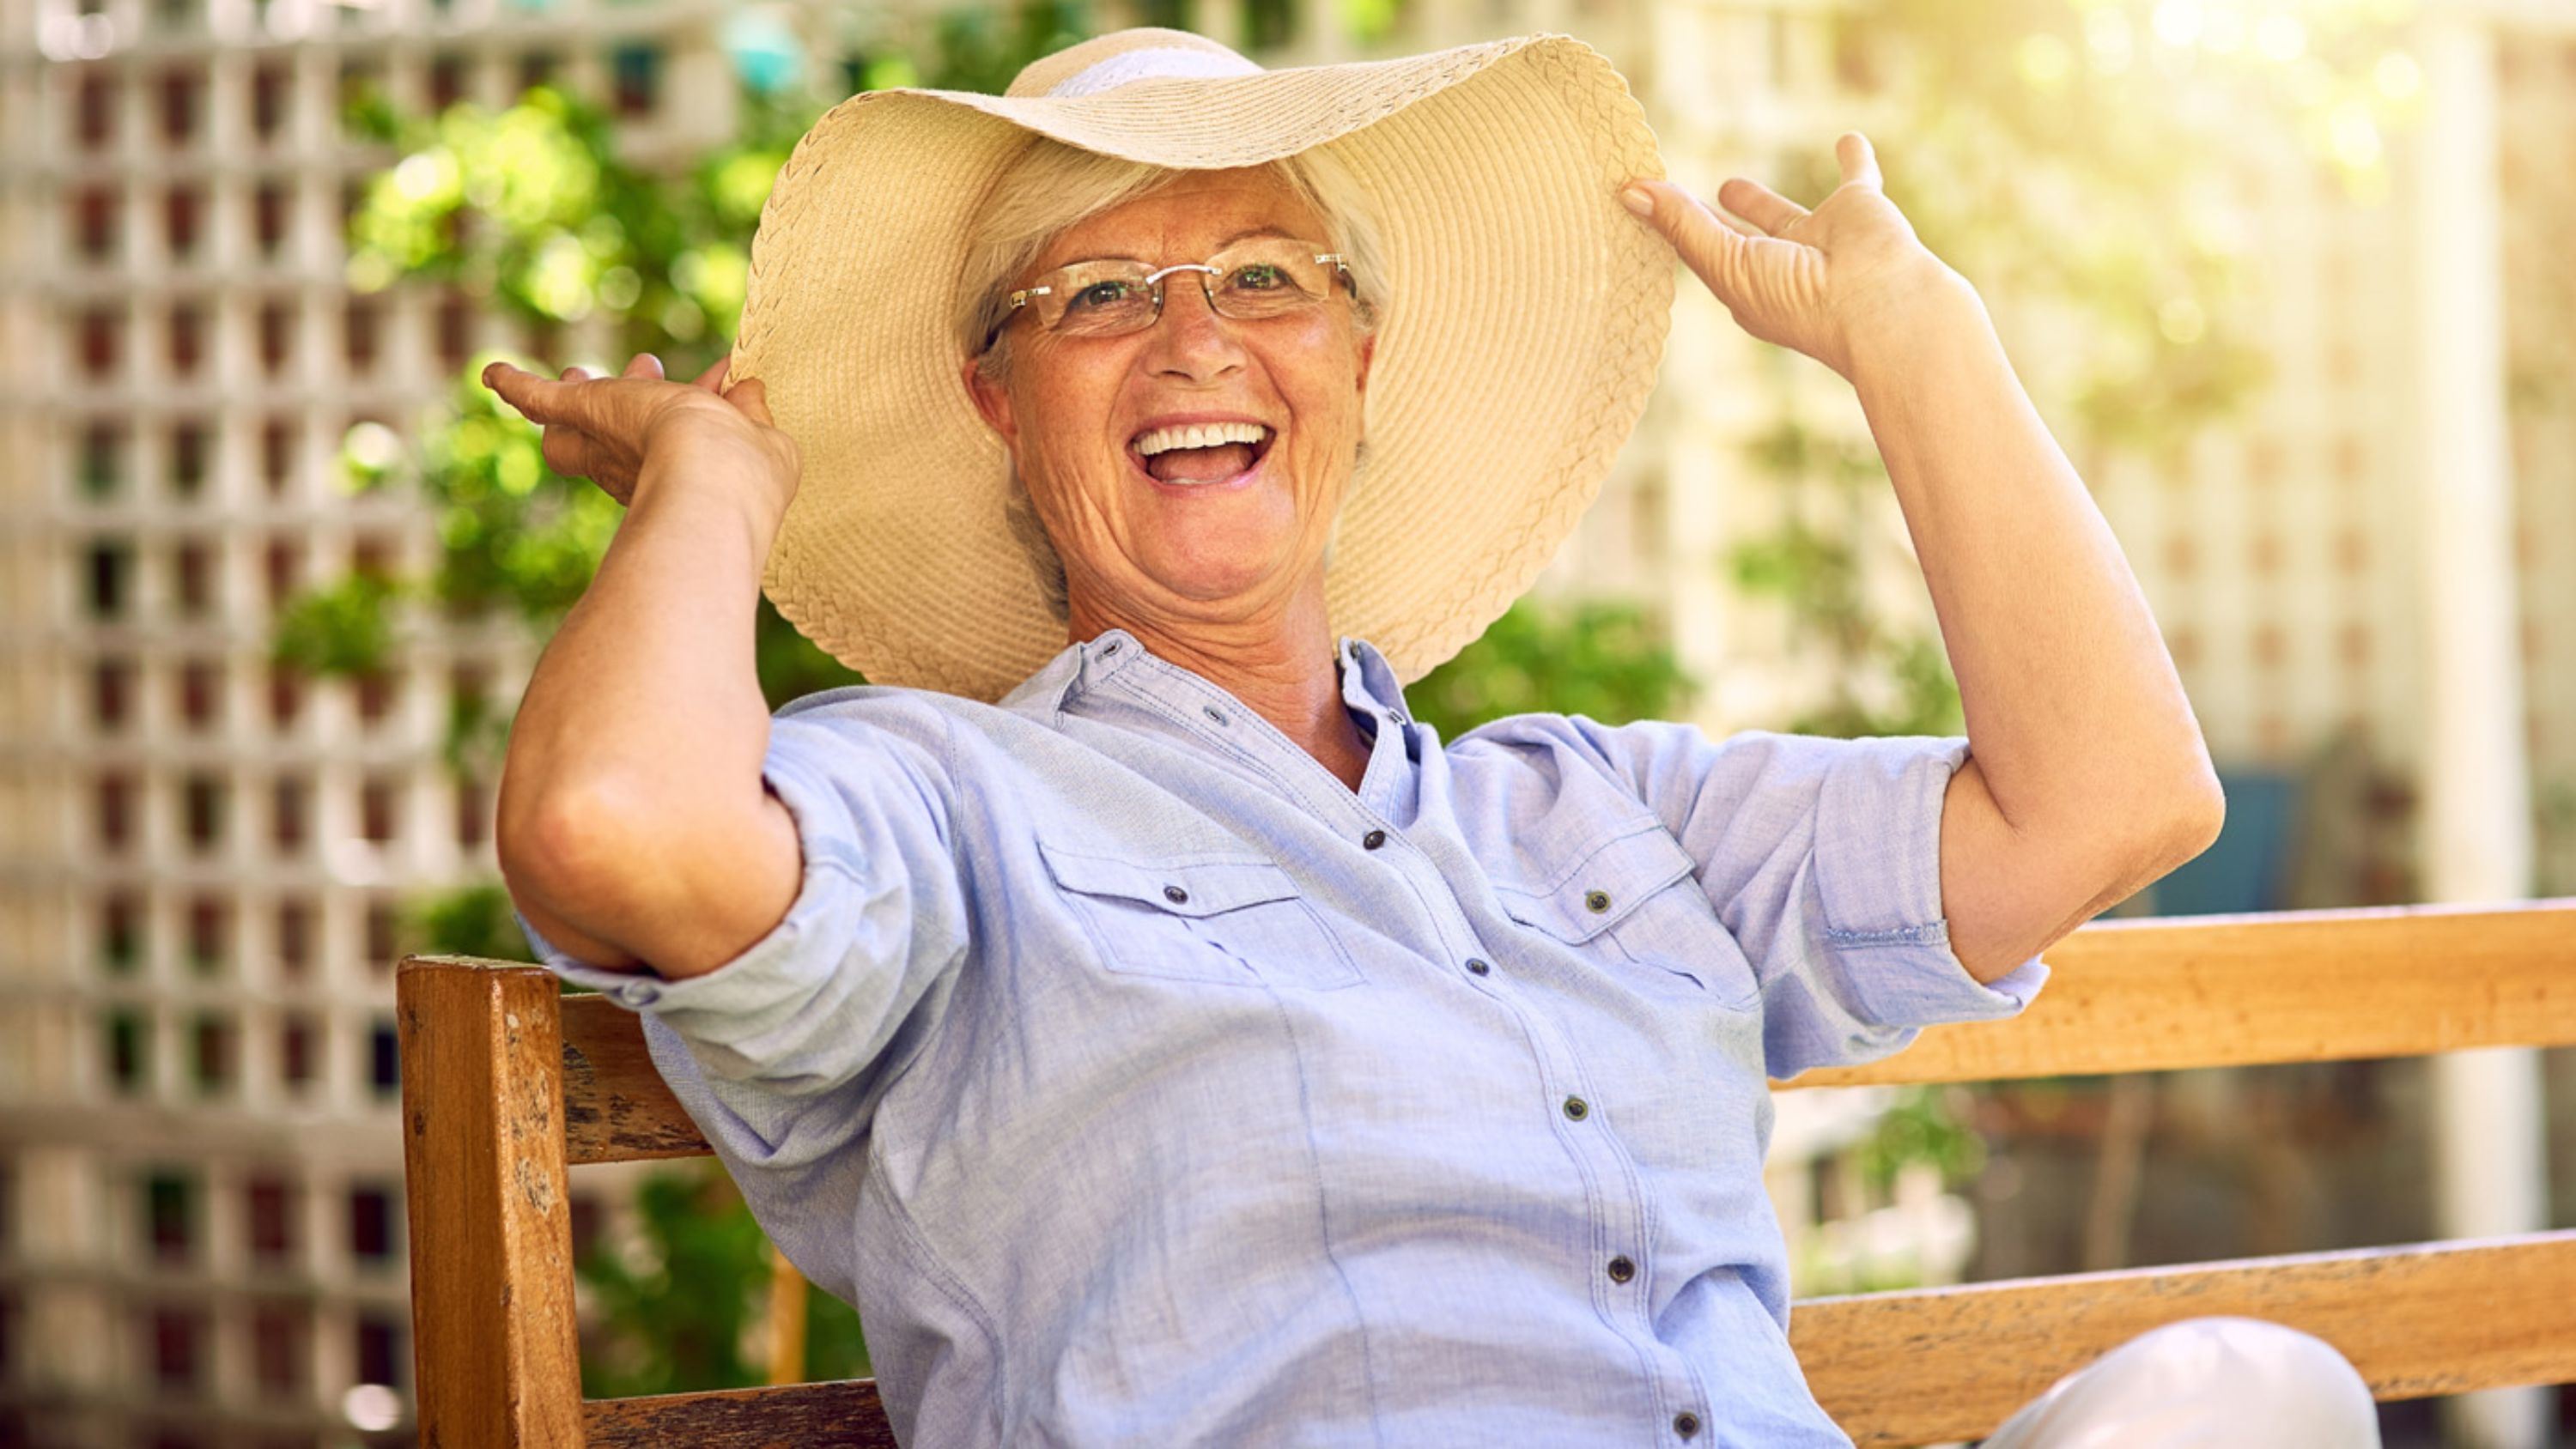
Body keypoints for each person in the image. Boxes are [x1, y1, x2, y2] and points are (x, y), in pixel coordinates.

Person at [487, 27, 2379, 1448]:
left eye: (1262, 276)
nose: (1193, 339)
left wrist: (1915, 335)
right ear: (997, 399)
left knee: (2245, 1388)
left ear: (1358, 360)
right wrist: (718, 481)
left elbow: (2118, 802)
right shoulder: (936, 801)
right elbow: (611, 820)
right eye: (1098, 298)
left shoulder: (1601, 810)